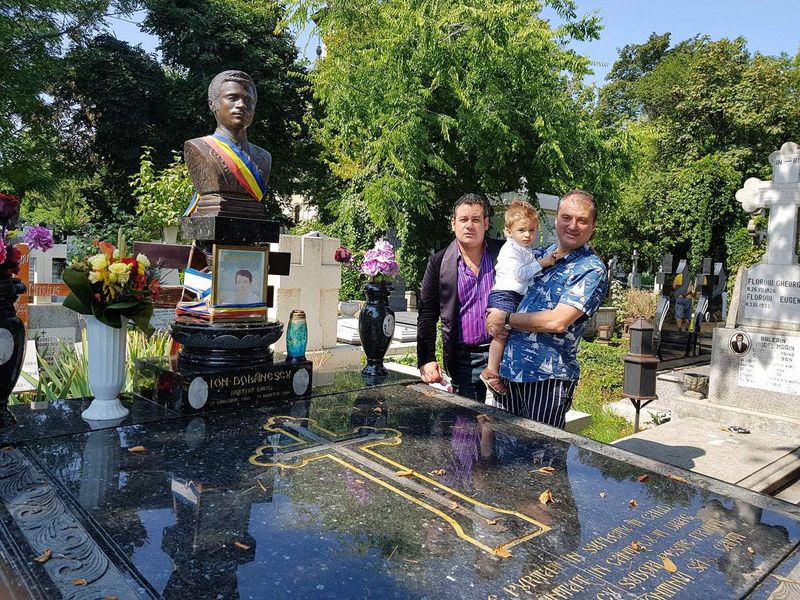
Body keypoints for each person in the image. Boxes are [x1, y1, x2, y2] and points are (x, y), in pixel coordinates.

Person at [486, 190, 608, 429]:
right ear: (556, 219)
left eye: (582, 220)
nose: (572, 226)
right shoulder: (540, 254)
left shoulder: (590, 269)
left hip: (546, 379)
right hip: (508, 373)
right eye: (566, 217)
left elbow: (557, 321)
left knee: (541, 449)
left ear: (593, 226)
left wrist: (506, 318)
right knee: (504, 447)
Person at [417, 194, 503, 402]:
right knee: (468, 419)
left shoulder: (505, 254)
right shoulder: (439, 262)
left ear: (486, 223)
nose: (469, 225)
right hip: (465, 360)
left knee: (510, 418)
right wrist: (426, 358)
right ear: (453, 223)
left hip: (505, 352)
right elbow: (427, 313)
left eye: (476, 219)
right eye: (463, 219)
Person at [480, 200, 558, 396]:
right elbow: (521, 274)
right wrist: (543, 263)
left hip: (514, 295)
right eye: (521, 230)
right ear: (508, 231)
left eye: (531, 230)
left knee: (509, 333)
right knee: (501, 334)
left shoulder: (524, 249)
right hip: (505, 295)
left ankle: (498, 370)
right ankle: (491, 372)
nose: (527, 235)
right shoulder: (511, 250)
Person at [183, 70, 272, 218]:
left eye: (248, 100)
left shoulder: (264, 157)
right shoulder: (199, 147)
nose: (241, 105)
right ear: (212, 104)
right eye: (232, 98)